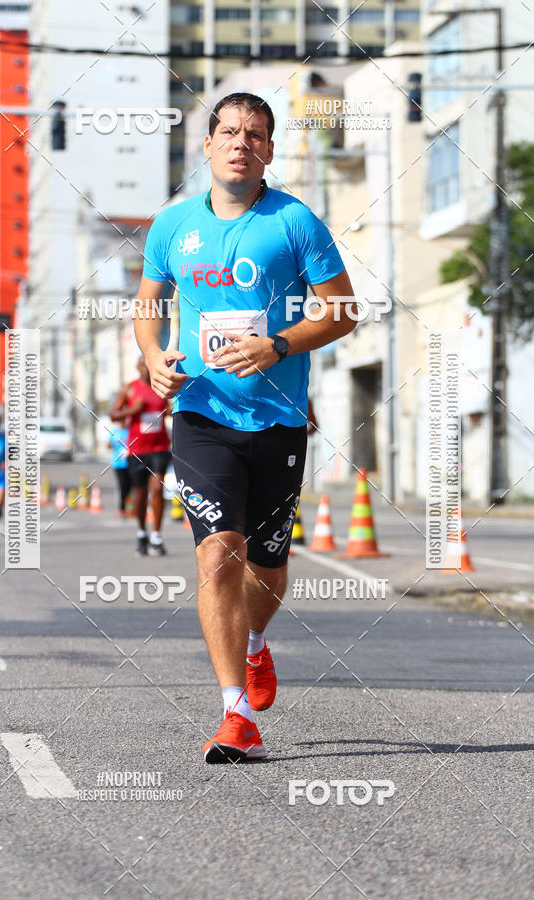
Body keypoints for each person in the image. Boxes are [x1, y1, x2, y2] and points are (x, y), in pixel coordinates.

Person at [134, 92, 356, 763]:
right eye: (228, 131)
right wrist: (152, 361)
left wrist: (279, 346)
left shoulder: (295, 222)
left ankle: (256, 645)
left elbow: (343, 310)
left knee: (267, 568)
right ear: (206, 145)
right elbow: (148, 309)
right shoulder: (171, 227)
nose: (240, 142)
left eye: (254, 134)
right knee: (216, 553)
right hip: (200, 414)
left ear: (268, 150)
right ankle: (236, 718)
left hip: (278, 419)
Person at [109, 358, 171, 556]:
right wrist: (131, 410)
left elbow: (169, 409)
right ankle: (142, 532)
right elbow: (113, 414)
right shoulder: (129, 389)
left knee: (157, 487)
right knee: (141, 494)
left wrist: (170, 411)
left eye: (148, 364)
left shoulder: (161, 386)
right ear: (137, 367)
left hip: (160, 447)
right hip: (137, 450)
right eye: (142, 364)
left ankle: (157, 537)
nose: (146, 368)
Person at [107, 422, 131, 518]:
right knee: (122, 485)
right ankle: (121, 509)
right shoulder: (114, 431)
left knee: (130, 485)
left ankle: (129, 508)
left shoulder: (129, 430)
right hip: (118, 463)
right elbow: (109, 445)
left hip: (129, 462)